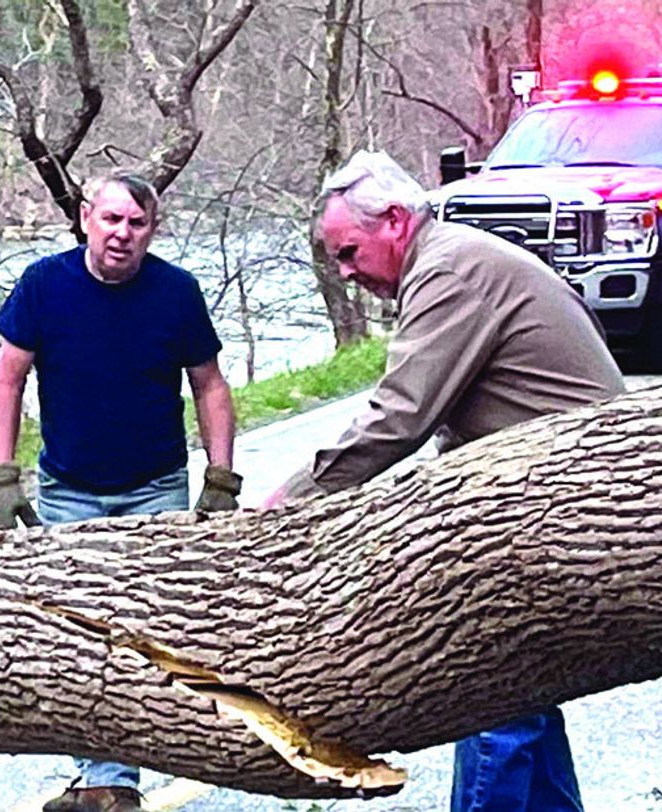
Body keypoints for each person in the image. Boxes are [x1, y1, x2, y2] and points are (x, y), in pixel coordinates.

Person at [264, 150, 626, 812]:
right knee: (527, 701)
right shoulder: (456, 257)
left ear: (396, 221)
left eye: (349, 252)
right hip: (556, 496)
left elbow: (400, 416)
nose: (345, 273)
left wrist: (294, 499)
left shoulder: (448, 272)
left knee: (491, 689)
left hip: (565, 506)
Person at [0, 170, 241, 812]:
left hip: (155, 484)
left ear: (152, 230)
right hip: (70, 486)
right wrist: (0, 474)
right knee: (82, 635)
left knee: (143, 629)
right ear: (86, 219)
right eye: (111, 219)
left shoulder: (176, 292)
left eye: (137, 223)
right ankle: (109, 779)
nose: (122, 234)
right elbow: (8, 380)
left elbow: (209, 384)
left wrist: (222, 476)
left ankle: (111, 780)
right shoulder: (45, 284)